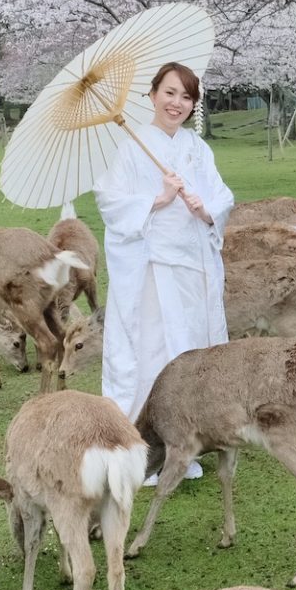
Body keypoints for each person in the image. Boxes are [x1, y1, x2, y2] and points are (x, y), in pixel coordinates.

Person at [94, 62, 234, 482]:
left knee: (186, 350)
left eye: (187, 96)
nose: (177, 103)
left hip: (191, 265)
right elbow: (110, 201)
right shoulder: (130, 148)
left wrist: (204, 209)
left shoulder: (196, 148)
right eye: (170, 93)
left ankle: (184, 446)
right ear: (152, 95)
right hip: (151, 266)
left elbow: (221, 195)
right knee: (150, 351)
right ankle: (139, 446)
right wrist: (157, 199)